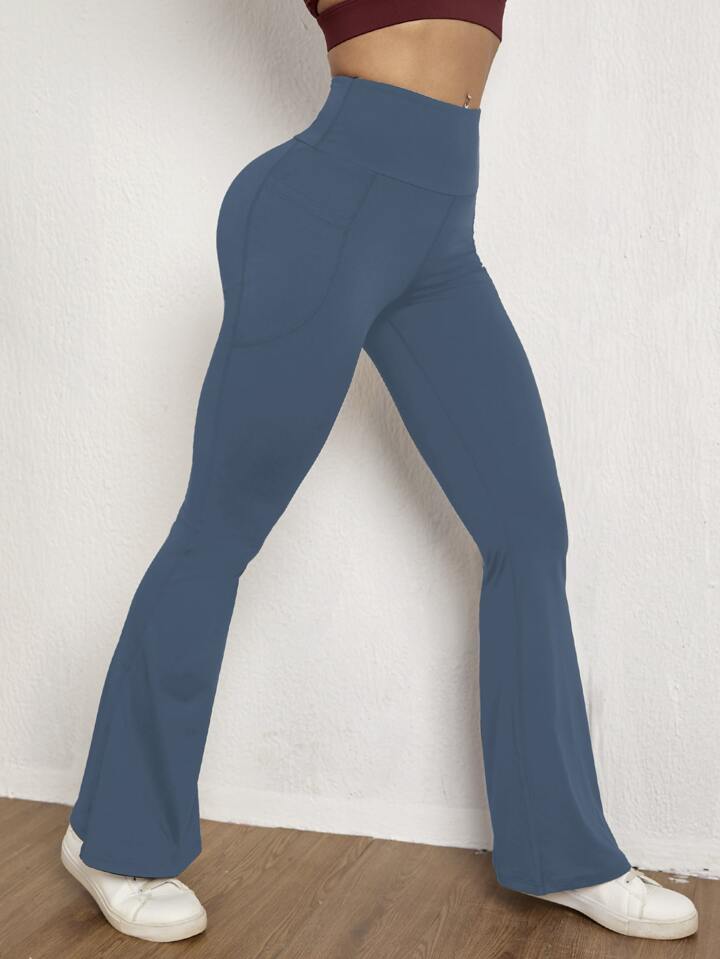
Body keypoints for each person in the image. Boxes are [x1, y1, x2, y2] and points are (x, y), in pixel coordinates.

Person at [59, 0, 699, 943]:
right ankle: (113, 836)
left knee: (527, 528)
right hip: (322, 213)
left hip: (441, 239)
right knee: (221, 527)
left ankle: (562, 851)